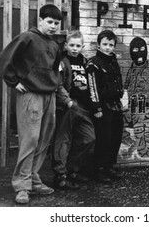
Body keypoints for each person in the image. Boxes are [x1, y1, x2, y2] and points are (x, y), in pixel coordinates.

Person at [0, 4, 63, 204]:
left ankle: (33, 179)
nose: (53, 26)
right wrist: (13, 81)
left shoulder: (54, 44)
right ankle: (22, 186)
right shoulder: (28, 37)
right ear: (40, 20)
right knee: (30, 140)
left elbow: (55, 69)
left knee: (43, 140)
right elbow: (4, 59)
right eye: (50, 22)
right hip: (31, 95)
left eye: (57, 23)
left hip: (49, 96)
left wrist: (55, 86)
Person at [52, 30, 95, 190]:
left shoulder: (86, 62)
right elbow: (58, 84)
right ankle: (60, 176)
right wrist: (68, 101)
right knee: (63, 140)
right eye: (72, 45)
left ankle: (72, 170)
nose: (75, 48)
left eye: (78, 45)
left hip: (84, 107)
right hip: (68, 106)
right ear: (66, 45)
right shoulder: (62, 62)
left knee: (88, 138)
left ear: (82, 46)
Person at [86, 29, 124, 183]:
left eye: (111, 45)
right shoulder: (93, 63)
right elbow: (92, 87)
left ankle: (109, 167)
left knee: (116, 137)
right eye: (105, 44)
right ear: (99, 45)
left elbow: (119, 83)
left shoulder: (114, 62)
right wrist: (97, 108)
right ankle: (99, 170)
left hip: (116, 106)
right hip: (103, 107)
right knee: (104, 139)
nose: (108, 47)